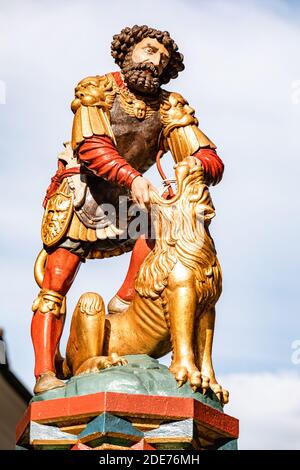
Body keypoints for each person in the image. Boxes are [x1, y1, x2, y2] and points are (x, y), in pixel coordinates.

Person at [31, 25, 224, 394]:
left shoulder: (169, 106)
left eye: (162, 59)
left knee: (163, 225)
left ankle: (125, 301)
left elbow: (205, 154)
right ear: (128, 52)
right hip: (81, 193)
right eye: (149, 51)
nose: (155, 62)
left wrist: (197, 165)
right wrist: (134, 178)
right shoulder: (97, 89)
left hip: (130, 201)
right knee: (54, 287)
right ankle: (45, 372)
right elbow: (91, 146)